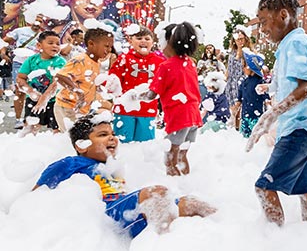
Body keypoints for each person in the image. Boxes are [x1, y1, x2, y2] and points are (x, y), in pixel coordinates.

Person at [32, 112, 216, 239]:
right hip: (109, 215)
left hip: (129, 210)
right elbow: (36, 195)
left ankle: (225, 228)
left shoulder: (113, 167)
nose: (112, 138)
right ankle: (162, 246)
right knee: (156, 193)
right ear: (81, 145)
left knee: (191, 203)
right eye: (103, 135)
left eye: (113, 133)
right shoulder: (71, 163)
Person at [246, 0, 307, 226]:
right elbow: (293, 82)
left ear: (283, 15)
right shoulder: (291, 44)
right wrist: (270, 88)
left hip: (301, 128)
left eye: (264, 21)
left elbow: (304, 89)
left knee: (264, 187)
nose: (262, 29)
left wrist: (270, 115)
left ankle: (275, 242)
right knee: (304, 188)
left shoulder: (295, 42)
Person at [127, 21, 203, 176]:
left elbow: (151, 95)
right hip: (193, 115)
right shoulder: (190, 63)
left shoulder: (166, 66)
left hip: (179, 116)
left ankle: (174, 188)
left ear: (170, 43)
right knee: (182, 155)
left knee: (170, 158)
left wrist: (134, 96)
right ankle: (186, 183)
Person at [43, 28, 114, 132]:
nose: (109, 50)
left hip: (81, 108)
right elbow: (60, 76)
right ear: (91, 44)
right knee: (73, 138)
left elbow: (88, 83)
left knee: (82, 138)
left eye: (111, 47)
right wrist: (77, 91)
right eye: (106, 46)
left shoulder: (96, 63)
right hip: (67, 107)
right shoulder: (80, 60)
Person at [108, 25, 165, 142]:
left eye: (147, 38)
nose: (143, 41)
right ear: (130, 41)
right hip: (124, 109)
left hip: (148, 110)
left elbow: (164, 85)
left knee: (145, 146)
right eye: (139, 38)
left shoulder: (160, 62)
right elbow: (113, 79)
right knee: (122, 144)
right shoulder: (124, 59)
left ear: (153, 42)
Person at [0, 14, 47, 129]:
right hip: (19, 64)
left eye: (40, 21)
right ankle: (18, 119)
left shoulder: (43, 36)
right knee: (20, 91)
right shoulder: (20, 31)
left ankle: (33, 117)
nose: (38, 23)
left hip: (36, 65)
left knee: (36, 91)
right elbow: (4, 42)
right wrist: (3, 53)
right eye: (36, 20)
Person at [16, 30, 66, 136]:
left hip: (54, 101)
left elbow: (56, 83)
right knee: (29, 127)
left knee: (58, 129)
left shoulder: (59, 61)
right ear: (39, 45)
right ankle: (26, 147)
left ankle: (58, 148)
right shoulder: (31, 60)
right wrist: (31, 92)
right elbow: (20, 78)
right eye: (51, 43)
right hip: (34, 98)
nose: (55, 46)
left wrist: (43, 99)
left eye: (58, 43)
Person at [230, 49, 269, 138]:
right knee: (245, 138)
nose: (242, 68)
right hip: (245, 116)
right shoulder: (244, 82)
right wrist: (236, 107)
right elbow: (239, 99)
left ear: (252, 68)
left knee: (255, 138)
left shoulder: (260, 83)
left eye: (244, 66)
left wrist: (268, 103)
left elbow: (266, 98)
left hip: (257, 117)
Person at [225, 25, 253, 130]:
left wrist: (241, 50)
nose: (239, 41)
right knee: (232, 111)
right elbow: (229, 69)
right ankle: (233, 132)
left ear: (246, 39)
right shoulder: (231, 53)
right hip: (231, 84)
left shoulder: (249, 52)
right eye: (237, 39)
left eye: (241, 39)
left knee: (241, 111)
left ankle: (239, 130)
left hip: (243, 84)